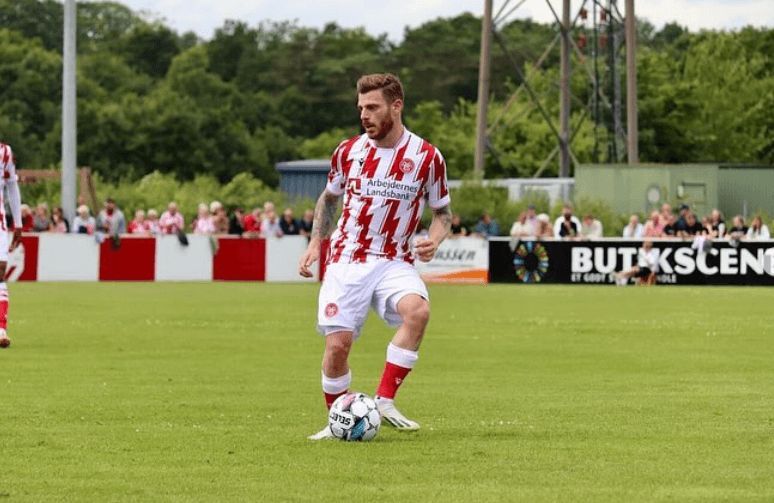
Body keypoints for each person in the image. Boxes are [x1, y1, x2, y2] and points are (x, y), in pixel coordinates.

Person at [297, 73, 451, 439]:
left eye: (372, 107)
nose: (364, 115)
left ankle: (384, 400)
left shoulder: (427, 157)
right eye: (361, 107)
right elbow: (329, 197)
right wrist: (316, 241)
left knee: (418, 311)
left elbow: (443, 213)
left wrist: (434, 239)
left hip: (394, 259)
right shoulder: (348, 151)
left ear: (396, 106)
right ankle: (337, 421)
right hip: (348, 258)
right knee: (337, 347)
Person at [0, 142, 23, 348]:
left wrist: (18, 222)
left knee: (0, 272)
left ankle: (1, 329)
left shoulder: (4, 152)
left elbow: (12, 187)